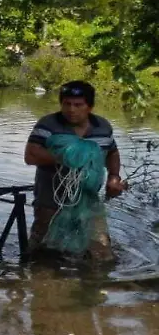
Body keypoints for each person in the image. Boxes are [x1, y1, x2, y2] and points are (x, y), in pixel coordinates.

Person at [23, 80, 124, 261]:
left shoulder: (103, 127)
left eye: (78, 105)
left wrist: (114, 177)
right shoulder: (48, 125)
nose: (71, 110)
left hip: (88, 199)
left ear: (90, 107)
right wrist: (67, 157)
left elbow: (112, 152)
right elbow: (31, 155)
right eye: (67, 104)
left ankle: (90, 284)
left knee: (101, 253)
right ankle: (39, 280)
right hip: (51, 199)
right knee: (43, 251)